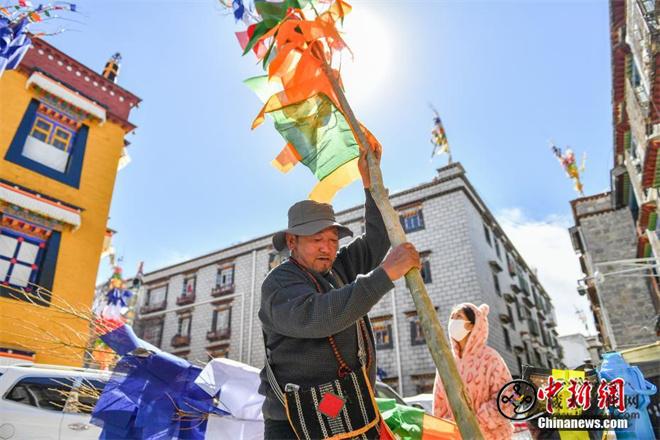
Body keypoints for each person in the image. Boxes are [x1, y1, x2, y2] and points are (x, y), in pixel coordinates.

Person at [258, 147, 421, 439]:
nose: (327, 247)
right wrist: (386, 274)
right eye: (316, 239)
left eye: (333, 239)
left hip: (351, 412)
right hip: (295, 425)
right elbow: (321, 316)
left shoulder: (338, 267)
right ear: (292, 242)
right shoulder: (280, 282)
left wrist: (371, 184)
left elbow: (377, 238)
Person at [433, 303, 513, 440]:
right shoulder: (446, 362)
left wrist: (476, 423)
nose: (453, 321)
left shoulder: (490, 358)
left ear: (472, 325)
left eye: (458, 317)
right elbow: (439, 405)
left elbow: (508, 397)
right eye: (452, 317)